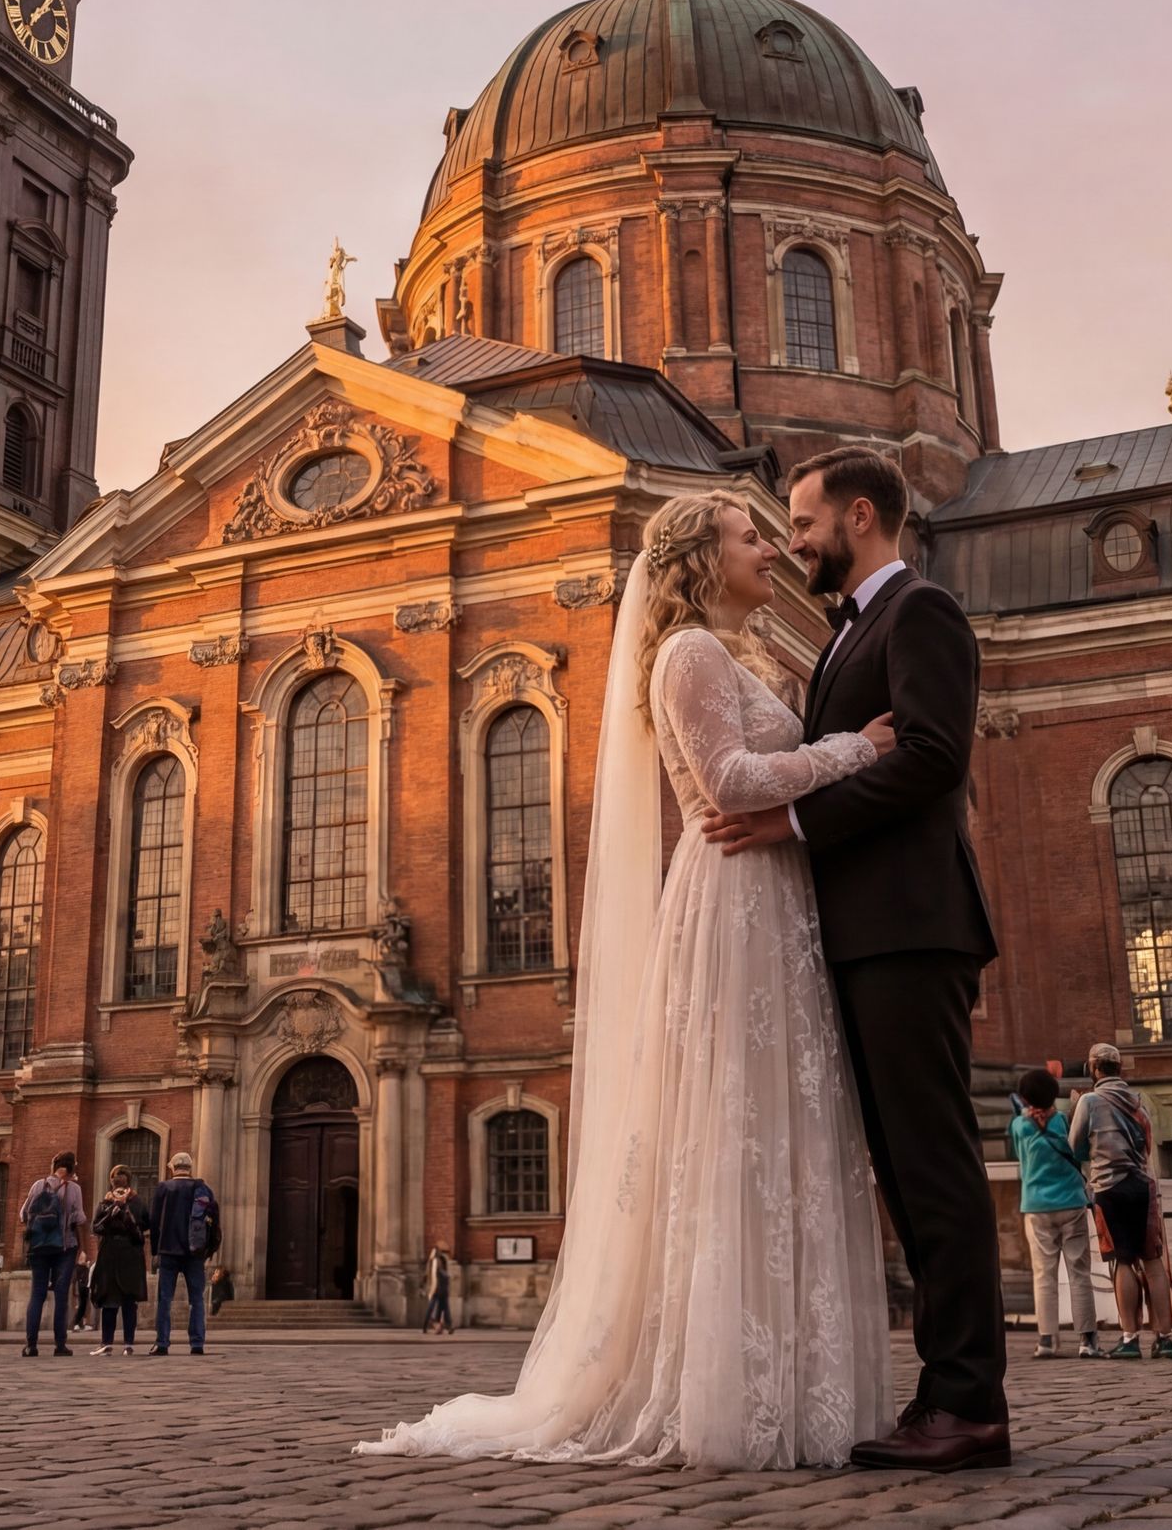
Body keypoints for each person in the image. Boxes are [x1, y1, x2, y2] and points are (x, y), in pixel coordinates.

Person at [365, 486, 910, 1471]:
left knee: (768, 1125)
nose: (774, 549)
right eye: (752, 537)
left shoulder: (728, 650)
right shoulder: (688, 652)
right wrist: (854, 749)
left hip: (769, 897)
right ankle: (737, 1390)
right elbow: (728, 782)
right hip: (739, 898)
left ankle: (781, 1382)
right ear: (701, 558)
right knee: (740, 1123)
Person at [699, 453, 1008, 1470]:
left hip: (911, 930)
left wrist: (789, 817)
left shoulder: (920, 611)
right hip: (867, 934)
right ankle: (946, 1395)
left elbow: (931, 757)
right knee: (911, 1175)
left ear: (860, 515)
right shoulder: (848, 634)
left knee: (933, 1168)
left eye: (802, 521)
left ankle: (968, 1403)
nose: (792, 541)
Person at [1068, 1045, 1172, 1361]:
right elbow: (1147, 1147)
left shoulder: (1090, 1100)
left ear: (1094, 1069)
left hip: (1109, 1188)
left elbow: (1074, 1146)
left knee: (1124, 1260)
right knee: (1153, 1261)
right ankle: (1165, 1339)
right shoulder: (1139, 1103)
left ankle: (1130, 1338)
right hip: (1143, 1186)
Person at [1008, 1067, 1097, 1360]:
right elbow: (1080, 1153)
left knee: (1043, 1275)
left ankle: (1047, 1339)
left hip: (1036, 1205)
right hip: (1071, 1202)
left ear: (1025, 1097)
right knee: (1079, 1273)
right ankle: (1087, 1340)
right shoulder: (1065, 1121)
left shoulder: (1020, 1127)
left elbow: (1021, 1157)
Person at [149, 1154, 219, 1355]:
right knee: (196, 1299)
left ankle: (162, 1342)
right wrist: (207, 1249)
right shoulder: (202, 1188)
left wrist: (155, 1250)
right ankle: (197, 1343)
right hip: (194, 1252)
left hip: (168, 1250)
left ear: (173, 1168)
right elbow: (213, 1220)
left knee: (164, 1299)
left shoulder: (164, 1188)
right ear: (189, 1168)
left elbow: (154, 1222)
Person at [19, 1151, 87, 1358]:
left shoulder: (38, 1185)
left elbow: (23, 1215)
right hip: (64, 1248)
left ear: (54, 1166)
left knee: (37, 1294)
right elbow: (79, 1220)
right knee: (61, 1296)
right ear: (72, 1169)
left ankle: (31, 1345)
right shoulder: (74, 1189)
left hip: (39, 1248)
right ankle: (60, 1345)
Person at [88, 1165, 146, 1355]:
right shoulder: (113, 1203)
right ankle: (116, 1343)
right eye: (114, 1178)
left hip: (121, 1254)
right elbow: (96, 1227)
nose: (116, 1182)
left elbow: (143, 1226)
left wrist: (121, 1212)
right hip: (119, 1255)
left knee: (120, 1301)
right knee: (117, 1302)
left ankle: (119, 1342)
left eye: (118, 1178)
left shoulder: (129, 1202)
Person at [421, 1243, 455, 1336]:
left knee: (435, 1308)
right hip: (439, 1288)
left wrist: (423, 1286)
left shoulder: (433, 1261)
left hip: (437, 1288)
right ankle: (446, 1326)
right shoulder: (438, 1261)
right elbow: (438, 1273)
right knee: (441, 1308)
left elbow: (426, 1276)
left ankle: (438, 1327)